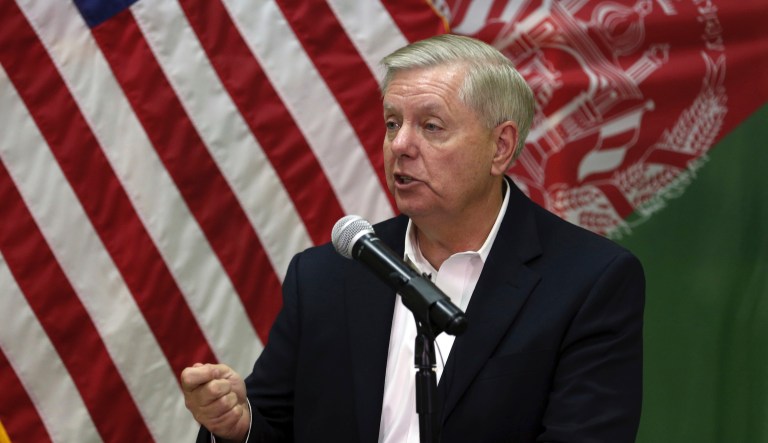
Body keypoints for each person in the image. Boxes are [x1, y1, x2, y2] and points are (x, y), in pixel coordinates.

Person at [181, 34, 645, 443]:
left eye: (430, 126)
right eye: (391, 123)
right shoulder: (327, 274)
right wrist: (238, 429)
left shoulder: (589, 282)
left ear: (500, 147)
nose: (400, 145)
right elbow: (272, 426)